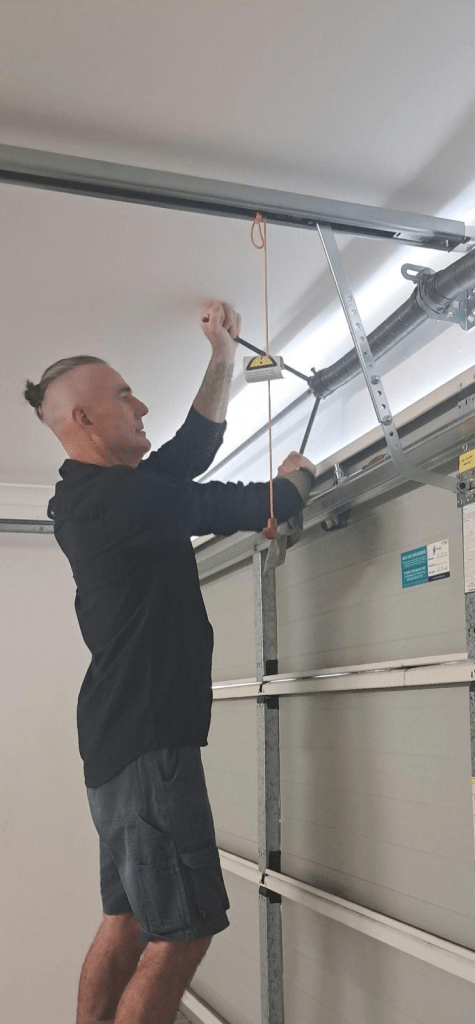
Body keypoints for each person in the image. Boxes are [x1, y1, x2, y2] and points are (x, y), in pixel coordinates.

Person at [23, 300, 316, 1024]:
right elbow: (250, 504)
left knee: (127, 919)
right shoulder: (119, 503)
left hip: (117, 745)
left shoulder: (92, 496)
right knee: (182, 934)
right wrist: (295, 481)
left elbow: (188, 454)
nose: (141, 404)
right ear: (84, 419)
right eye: (124, 395)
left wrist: (222, 359)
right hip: (148, 747)